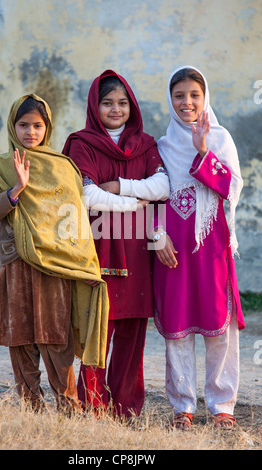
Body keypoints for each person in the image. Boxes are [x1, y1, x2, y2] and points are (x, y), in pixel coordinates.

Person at [0, 94, 109, 412]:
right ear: (13, 126)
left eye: (37, 125)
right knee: (20, 335)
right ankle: (32, 409)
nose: (30, 132)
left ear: (47, 127)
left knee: (55, 335)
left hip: (56, 264)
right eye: (23, 125)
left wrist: (86, 265)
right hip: (16, 262)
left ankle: (68, 408)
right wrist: (16, 190)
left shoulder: (63, 168)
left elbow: (77, 222)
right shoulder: (1, 165)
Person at [63, 70, 169, 418]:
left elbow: (163, 188)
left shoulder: (145, 143)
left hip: (138, 249)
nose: (115, 109)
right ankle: (92, 406)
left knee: (132, 331)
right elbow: (86, 194)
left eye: (122, 103)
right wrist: (133, 202)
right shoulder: (82, 143)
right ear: (95, 106)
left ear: (132, 107)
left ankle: (125, 409)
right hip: (98, 246)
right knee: (98, 329)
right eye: (107, 103)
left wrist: (119, 187)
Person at [153, 66, 245, 430]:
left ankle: (222, 405)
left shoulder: (220, 138)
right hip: (171, 252)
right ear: (170, 100)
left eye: (194, 95)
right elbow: (153, 198)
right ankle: (183, 406)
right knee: (178, 326)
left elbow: (230, 189)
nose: (187, 102)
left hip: (212, 249)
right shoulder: (159, 146)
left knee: (219, 327)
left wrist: (202, 150)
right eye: (179, 96)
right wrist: (156, 237)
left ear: (205, 97)